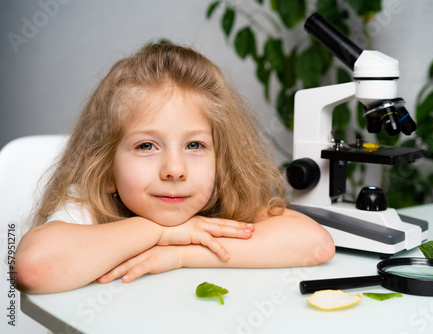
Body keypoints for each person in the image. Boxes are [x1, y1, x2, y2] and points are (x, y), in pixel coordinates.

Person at [15, 42, 335, 294]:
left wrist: (180, 254)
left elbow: (315, 244)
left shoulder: (222, 199)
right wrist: (164, 230)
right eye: (146, 146)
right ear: (106, 171)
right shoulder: (87, 206)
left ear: (219, 161)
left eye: (194, 146)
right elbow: (33, 269)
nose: (175, 170)